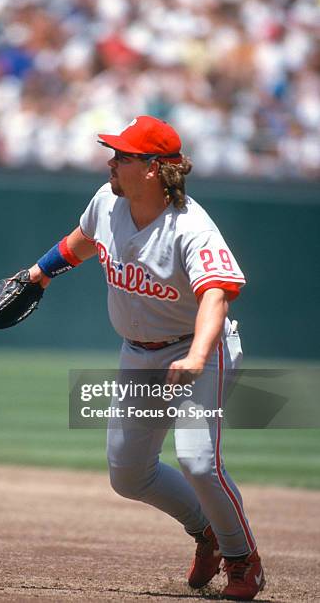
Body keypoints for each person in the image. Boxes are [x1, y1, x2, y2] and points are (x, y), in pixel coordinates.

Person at [27, 116, 265, 600]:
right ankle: (208, 533)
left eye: (123, 156)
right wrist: (38, 274)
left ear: (153, 169)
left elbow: (216, 297)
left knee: (198, 461)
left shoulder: (190, 228)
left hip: (198, 349)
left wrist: (198, 356)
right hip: (139, 354)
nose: (111, 162)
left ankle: (243, 561)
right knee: (129, 474)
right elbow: (84, 238)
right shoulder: (108, 200)